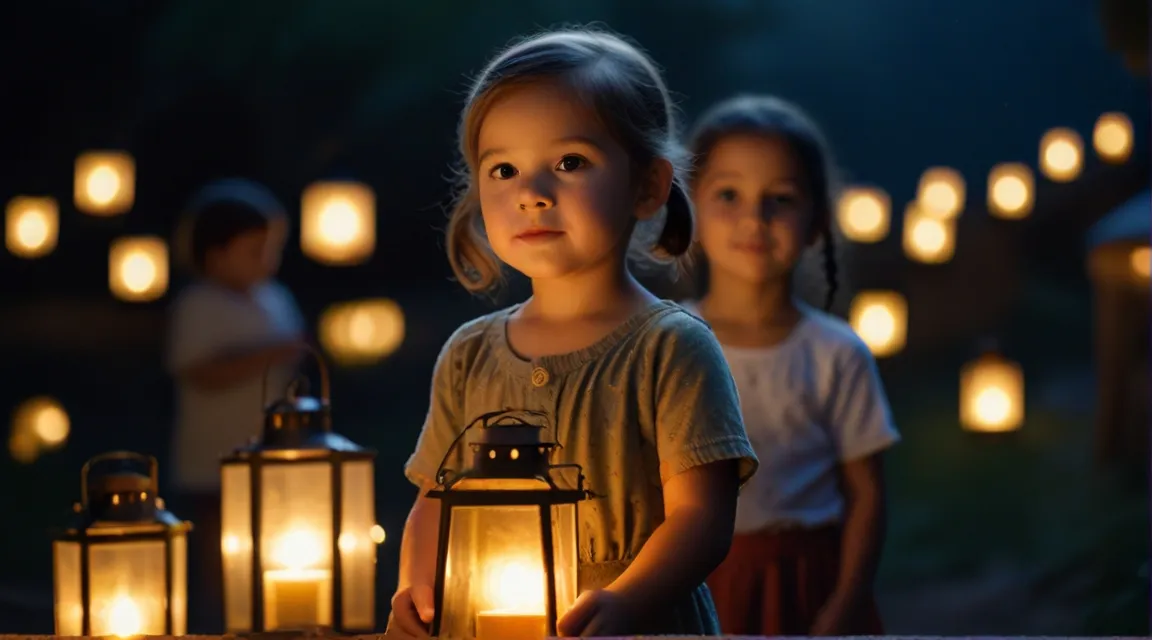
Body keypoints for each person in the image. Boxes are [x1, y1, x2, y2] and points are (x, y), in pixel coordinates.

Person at [386, 28, 759, 639]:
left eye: (570, 163)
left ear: (647, 185)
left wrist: (627, 601)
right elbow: (434, 502)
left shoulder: (669, 349)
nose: (531, 194)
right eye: (503, 169)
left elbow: (701, 517)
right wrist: (416, 589)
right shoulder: (468, 356)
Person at [680, 94, 901, 636]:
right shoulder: (667, 344)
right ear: (690, 209)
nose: (755, 218)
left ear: (817, 222)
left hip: (807, 581)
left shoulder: (836, 353)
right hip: (692, 577)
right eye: (728, 195)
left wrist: (846, 602)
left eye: (779, 198)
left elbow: (867, 494)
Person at [165, 179, 306, 632]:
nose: (268, 260)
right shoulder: (199, 305)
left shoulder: (276, 298)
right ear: (215, 253)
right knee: (219, 560)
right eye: (255, 250)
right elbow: (197, 371)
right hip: (214, 463)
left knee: (268, 553)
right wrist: (270, 355)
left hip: (272, 460)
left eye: (272, 249)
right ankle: (220, 626)